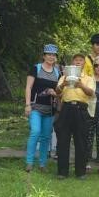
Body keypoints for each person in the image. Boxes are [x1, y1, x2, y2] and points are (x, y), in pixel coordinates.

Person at [55, 53, 95, 179]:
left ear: (84, 64)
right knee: (63, 140)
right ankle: (62, 172)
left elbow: (91, 93)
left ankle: (80, 172)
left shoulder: (88, 78)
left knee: (81, 141)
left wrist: (81, 85)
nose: (78, 62)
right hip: (66, 108)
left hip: (81, 109)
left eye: (81, 60)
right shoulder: (64, 77)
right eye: (76, 60)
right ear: (72, 63)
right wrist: (63, 84)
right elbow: (57, 92)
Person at [24, 44, 60, 172]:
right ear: (44, 56)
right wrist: (27, 105)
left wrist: (54, 93)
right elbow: (28, 87)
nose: (51, 57)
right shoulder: (36, 68)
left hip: (50, 110)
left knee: (46, 136)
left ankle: (42, 163)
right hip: (35, 107)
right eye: (49, 54)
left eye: (53, 55)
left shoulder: (58, 72)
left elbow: (60, 92)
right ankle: (29, 162)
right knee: (35, 132)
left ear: (56, 57)